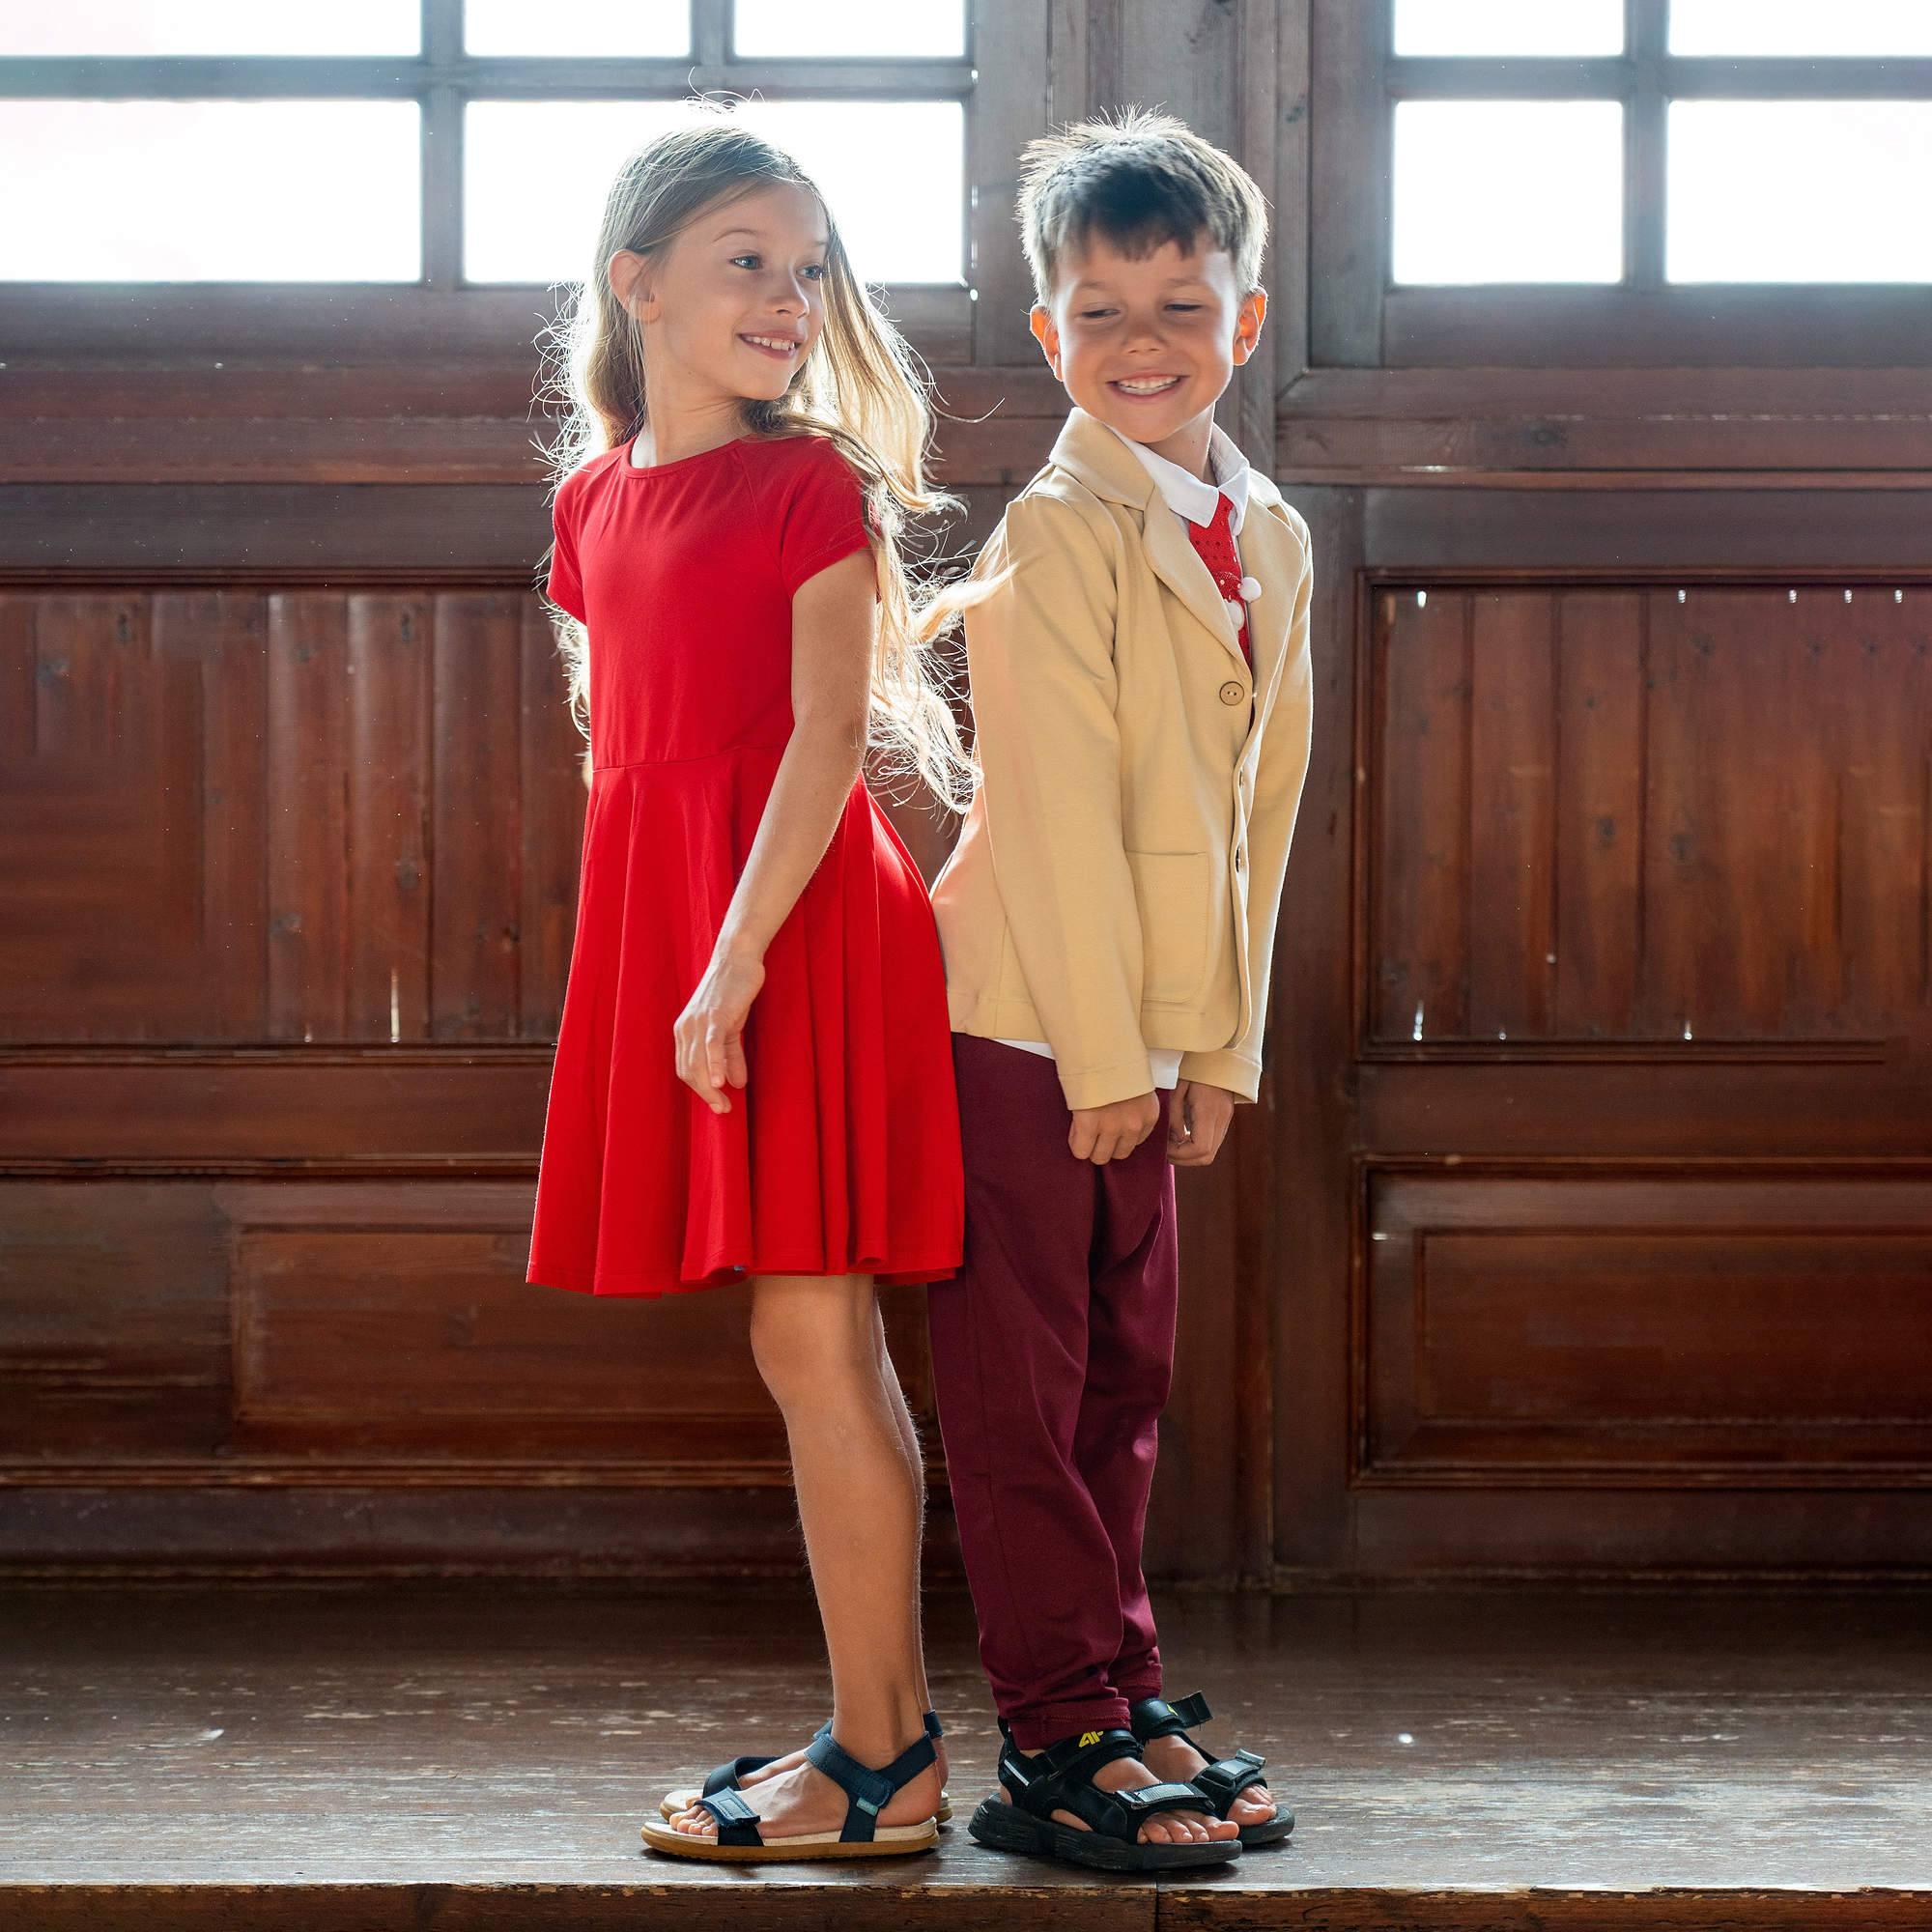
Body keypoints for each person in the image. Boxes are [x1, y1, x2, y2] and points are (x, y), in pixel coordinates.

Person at [525, 110, 968, 1863]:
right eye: (748, 263)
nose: (791, 300)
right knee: (801, 1342)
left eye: (808, 270)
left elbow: (819, 744)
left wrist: (730, 958)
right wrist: (666, 952)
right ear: (636, 282)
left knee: (815, 1336)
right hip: (685, 926)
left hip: (793, 927)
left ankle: (883, 1764)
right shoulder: (588, 498)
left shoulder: (812, 485)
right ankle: (874, 1747)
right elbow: (615, 744)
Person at [926, 108, 1315, 1873]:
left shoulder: (1269, 531)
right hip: (1026, 1018)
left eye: (1180, 305)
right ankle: (1057, 1725)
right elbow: (1063, 820)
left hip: (1153, 1024)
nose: (1141, 344)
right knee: (1026, 1383)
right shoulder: (1052, 539)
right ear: (1049, 336)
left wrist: (1212, 1047)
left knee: (1125, 1374)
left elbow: (1264, 814)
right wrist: (1102, 1049)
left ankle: (1119, 1682)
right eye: (1099, 312)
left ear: (1245, 321)